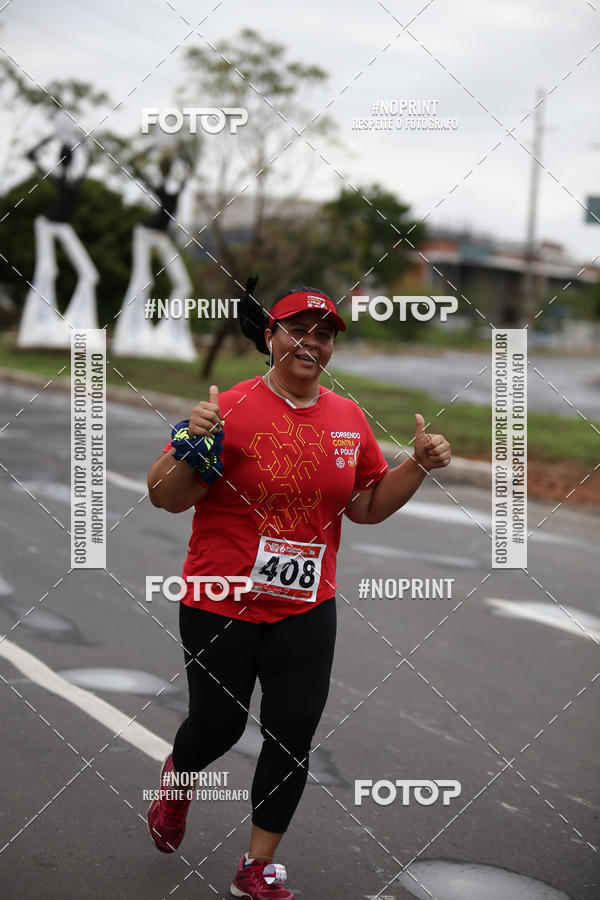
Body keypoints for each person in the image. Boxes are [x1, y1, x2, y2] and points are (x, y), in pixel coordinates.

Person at [146, 281, 451, 899]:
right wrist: (190, 444)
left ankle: (257, 866)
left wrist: (416, 465)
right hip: (220, 602)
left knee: (292, 733)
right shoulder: (229, 408)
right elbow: (164, 497)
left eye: (325, 334)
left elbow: (366, 506)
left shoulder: (348, 418)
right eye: (298, 330)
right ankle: (178, 780)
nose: (312, 342)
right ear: (271, 336)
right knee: (217, 727)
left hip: (307, 607)